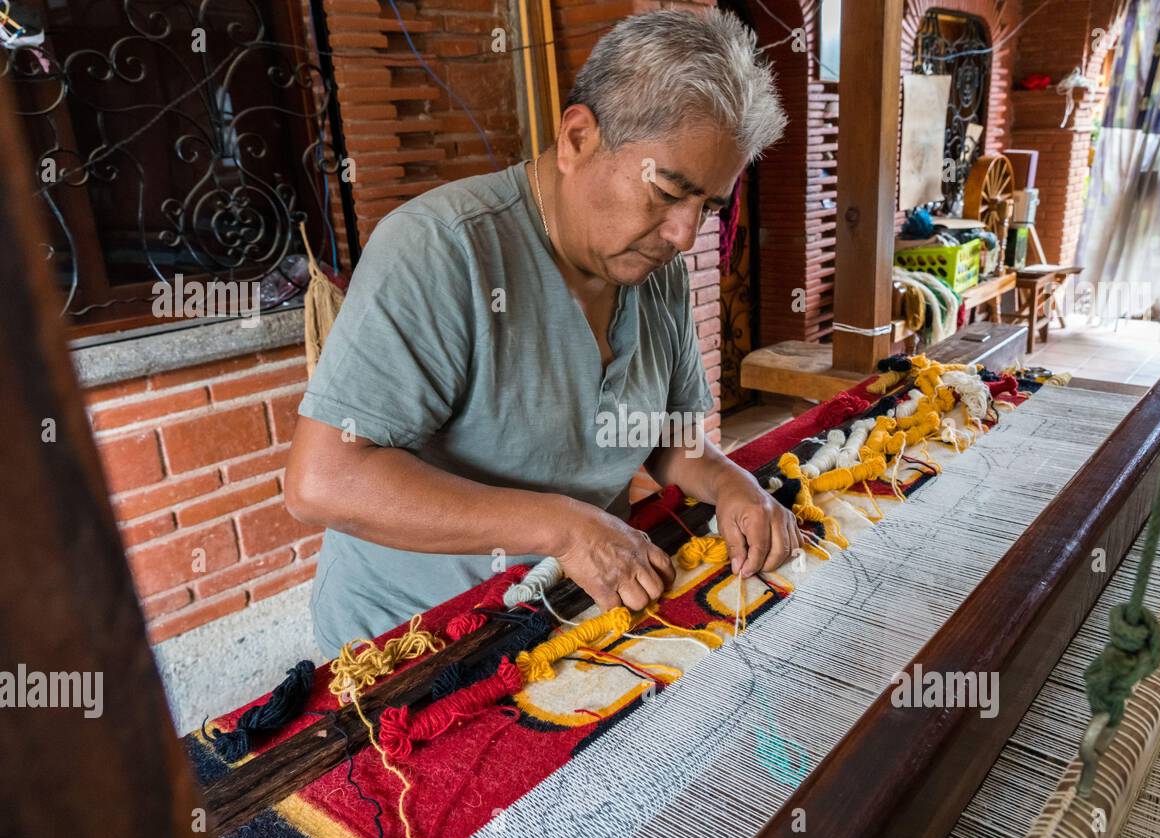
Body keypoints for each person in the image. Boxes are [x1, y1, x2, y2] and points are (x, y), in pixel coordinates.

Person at [284, 10, 793, 656]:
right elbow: (321, 478)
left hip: (561, 611)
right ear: (578, 136)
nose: (685, 235)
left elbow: (665, 437)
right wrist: (562, 526)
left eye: (710, 207)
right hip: (417, 639)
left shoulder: (652, 268)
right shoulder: (444, 251)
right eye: (667, 191)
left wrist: (730, 485)